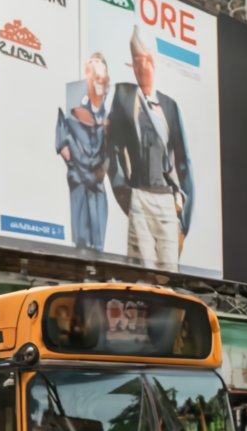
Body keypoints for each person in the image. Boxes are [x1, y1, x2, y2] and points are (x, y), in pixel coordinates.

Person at [107, 25, 194, 272]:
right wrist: (124, 192)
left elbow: (184, 162)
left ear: (153, 63)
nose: (142, 68)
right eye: (137, 63)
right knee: (142, 271)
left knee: (169, 272)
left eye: (146, 61)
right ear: (132, 66)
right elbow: (111, 148)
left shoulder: (170, 106)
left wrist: (184, 215)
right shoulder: (123, 97)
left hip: (166, 198)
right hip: (139, 194)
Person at [56, 52, 112, 251]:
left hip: (97, 186)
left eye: (100, 74)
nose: (97, 79)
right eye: (92, 71)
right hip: (79, 181)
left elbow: (112, 150)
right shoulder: (72, 104)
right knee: (80, 245)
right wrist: (76, 164)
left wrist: (100, 170)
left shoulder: (109, 114)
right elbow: (62, 141)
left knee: (98, 245)